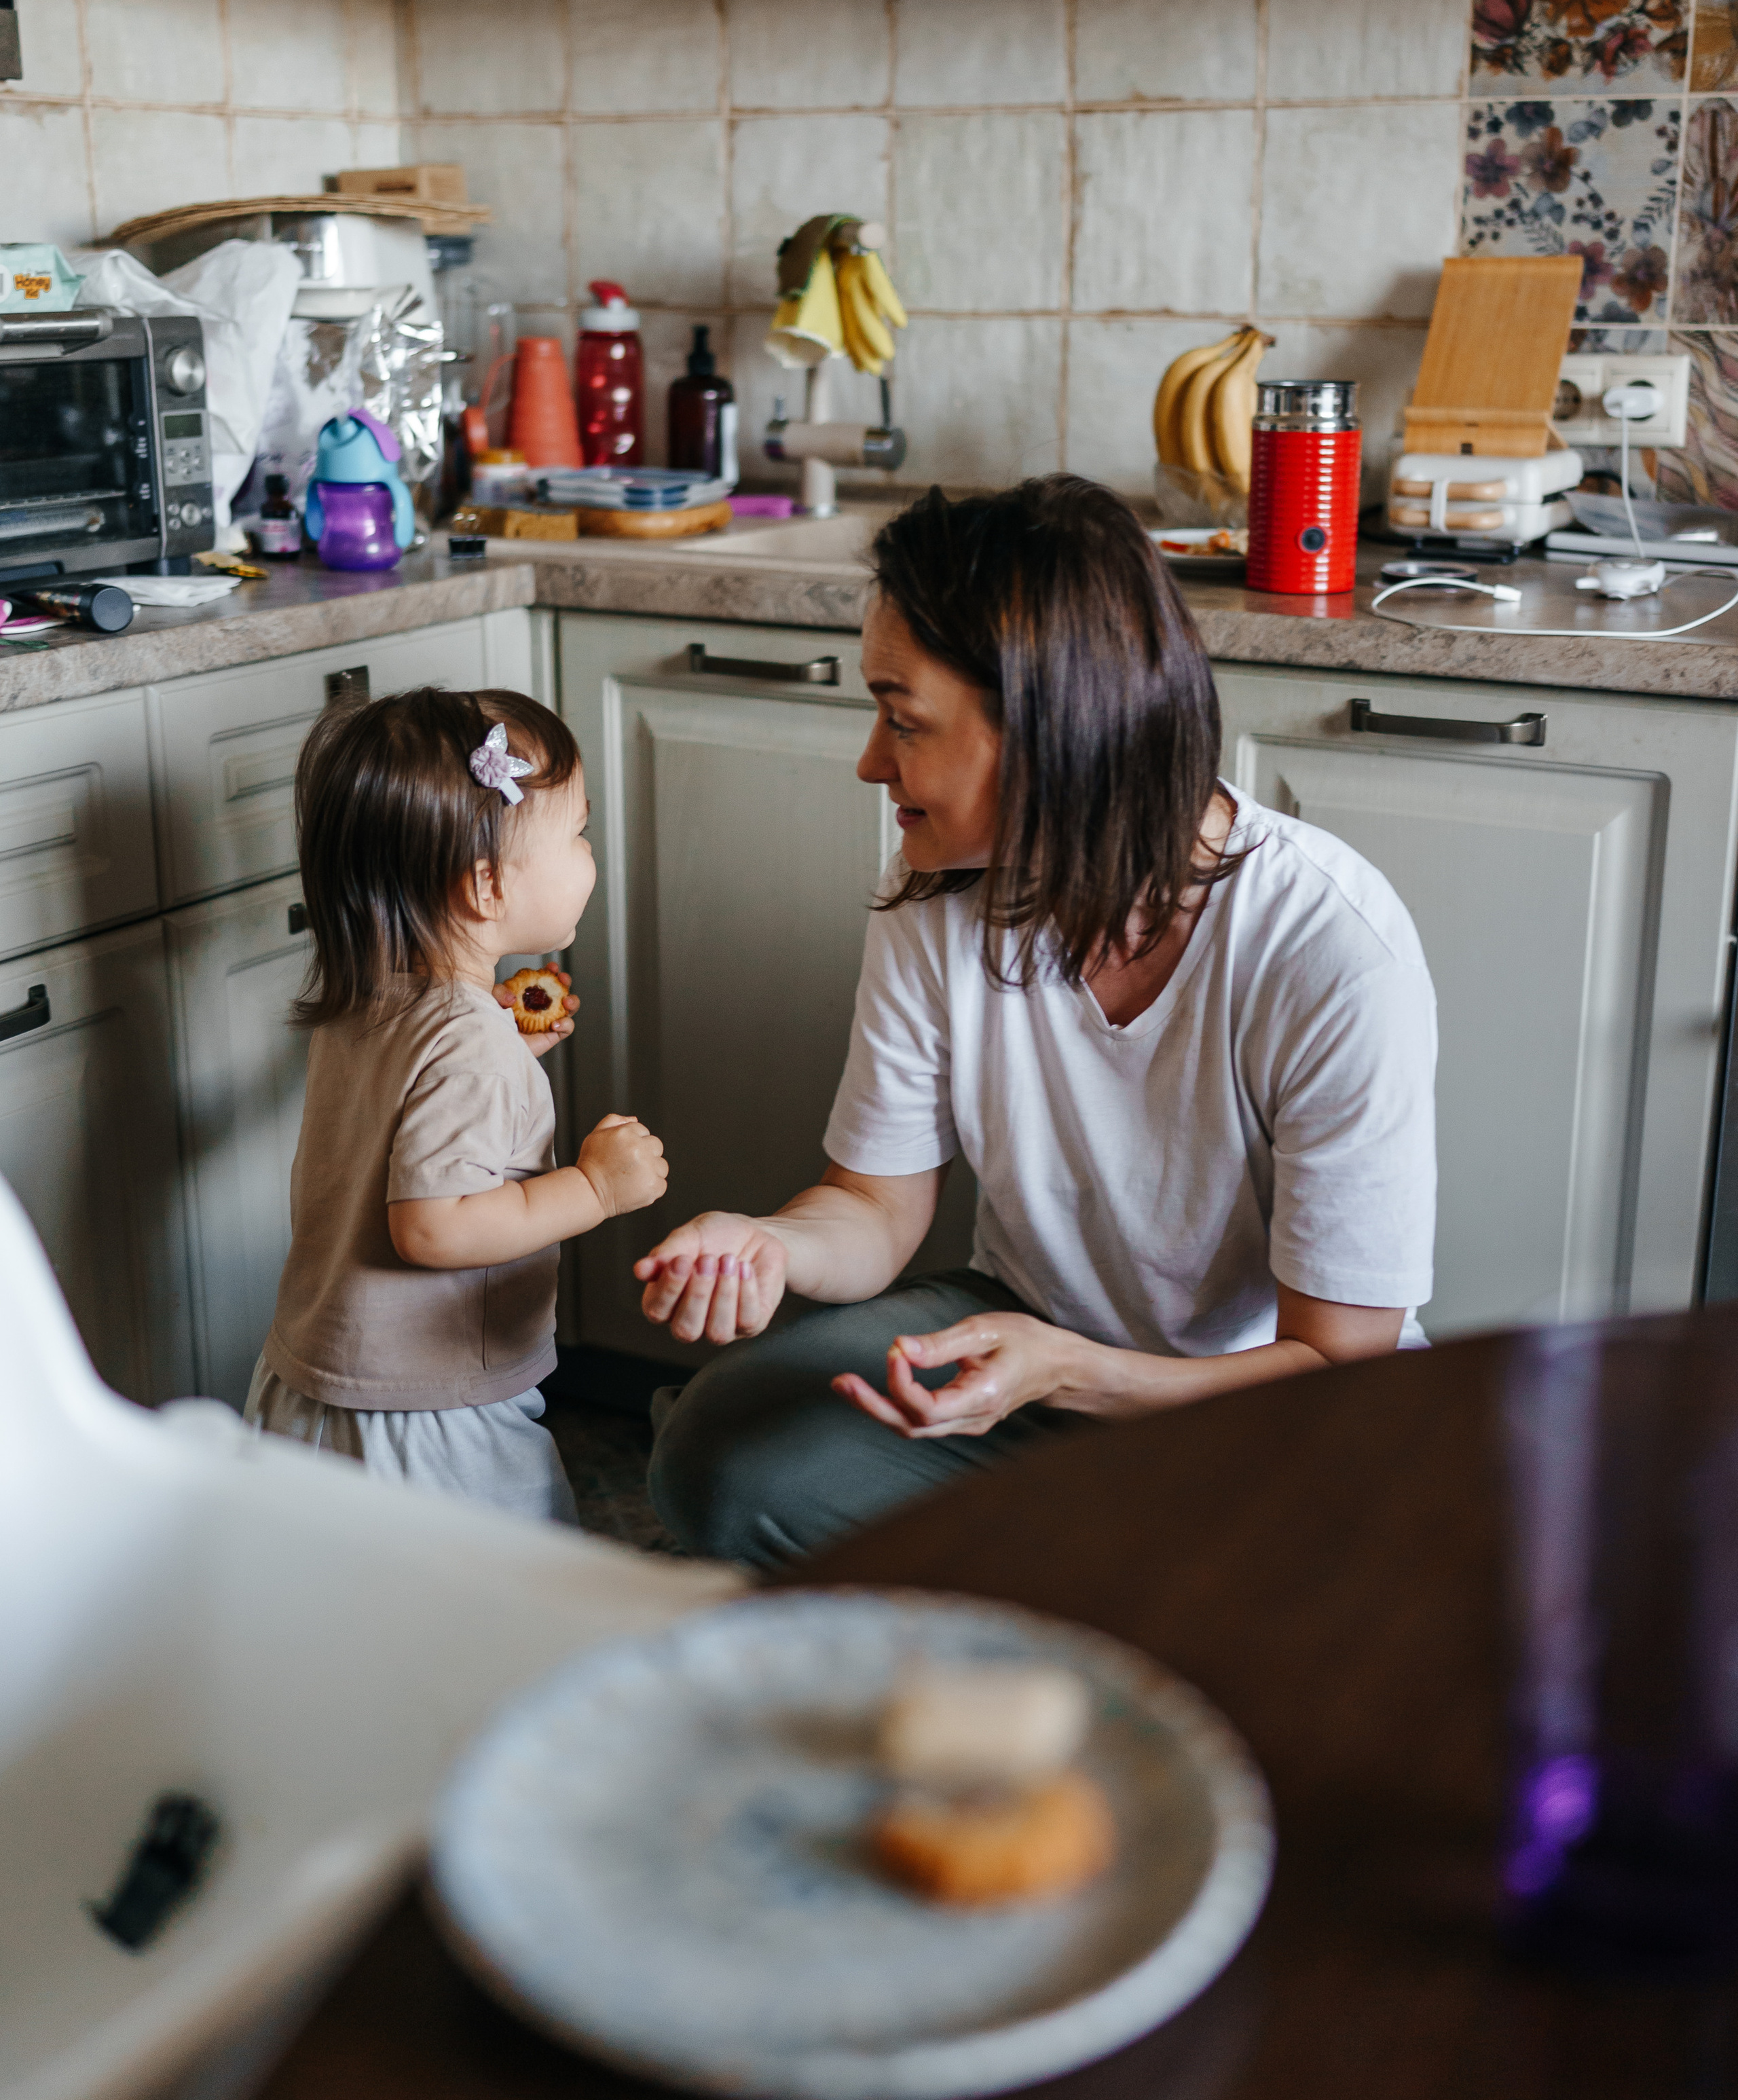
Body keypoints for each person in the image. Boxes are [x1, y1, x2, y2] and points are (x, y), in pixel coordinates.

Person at [637, 476, 1437, 1568]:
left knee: (1352, 1556)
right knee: (715, 1457)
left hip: (1254, 1412)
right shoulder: (938, 890)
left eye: (903, 721)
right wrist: (767, 1246)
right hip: (1012, 1354)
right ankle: (1098, 1569)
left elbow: (1337, 1363)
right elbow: (874, 1207)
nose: (871, 763)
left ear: (1055, 733)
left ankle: (1086, 1568)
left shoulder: (1332, 951)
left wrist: (1072, 1371)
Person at [244, 685, 666, 1521]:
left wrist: (504, 1053)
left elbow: (403, 1120)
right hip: (422, 1415)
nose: (590, 852)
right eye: (578, 833)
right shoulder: (465, 1042)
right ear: (484, 885)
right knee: (507, 1608)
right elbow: (433, 1225)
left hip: (310, 1382)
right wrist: (595, 1189)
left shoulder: (374, 994)